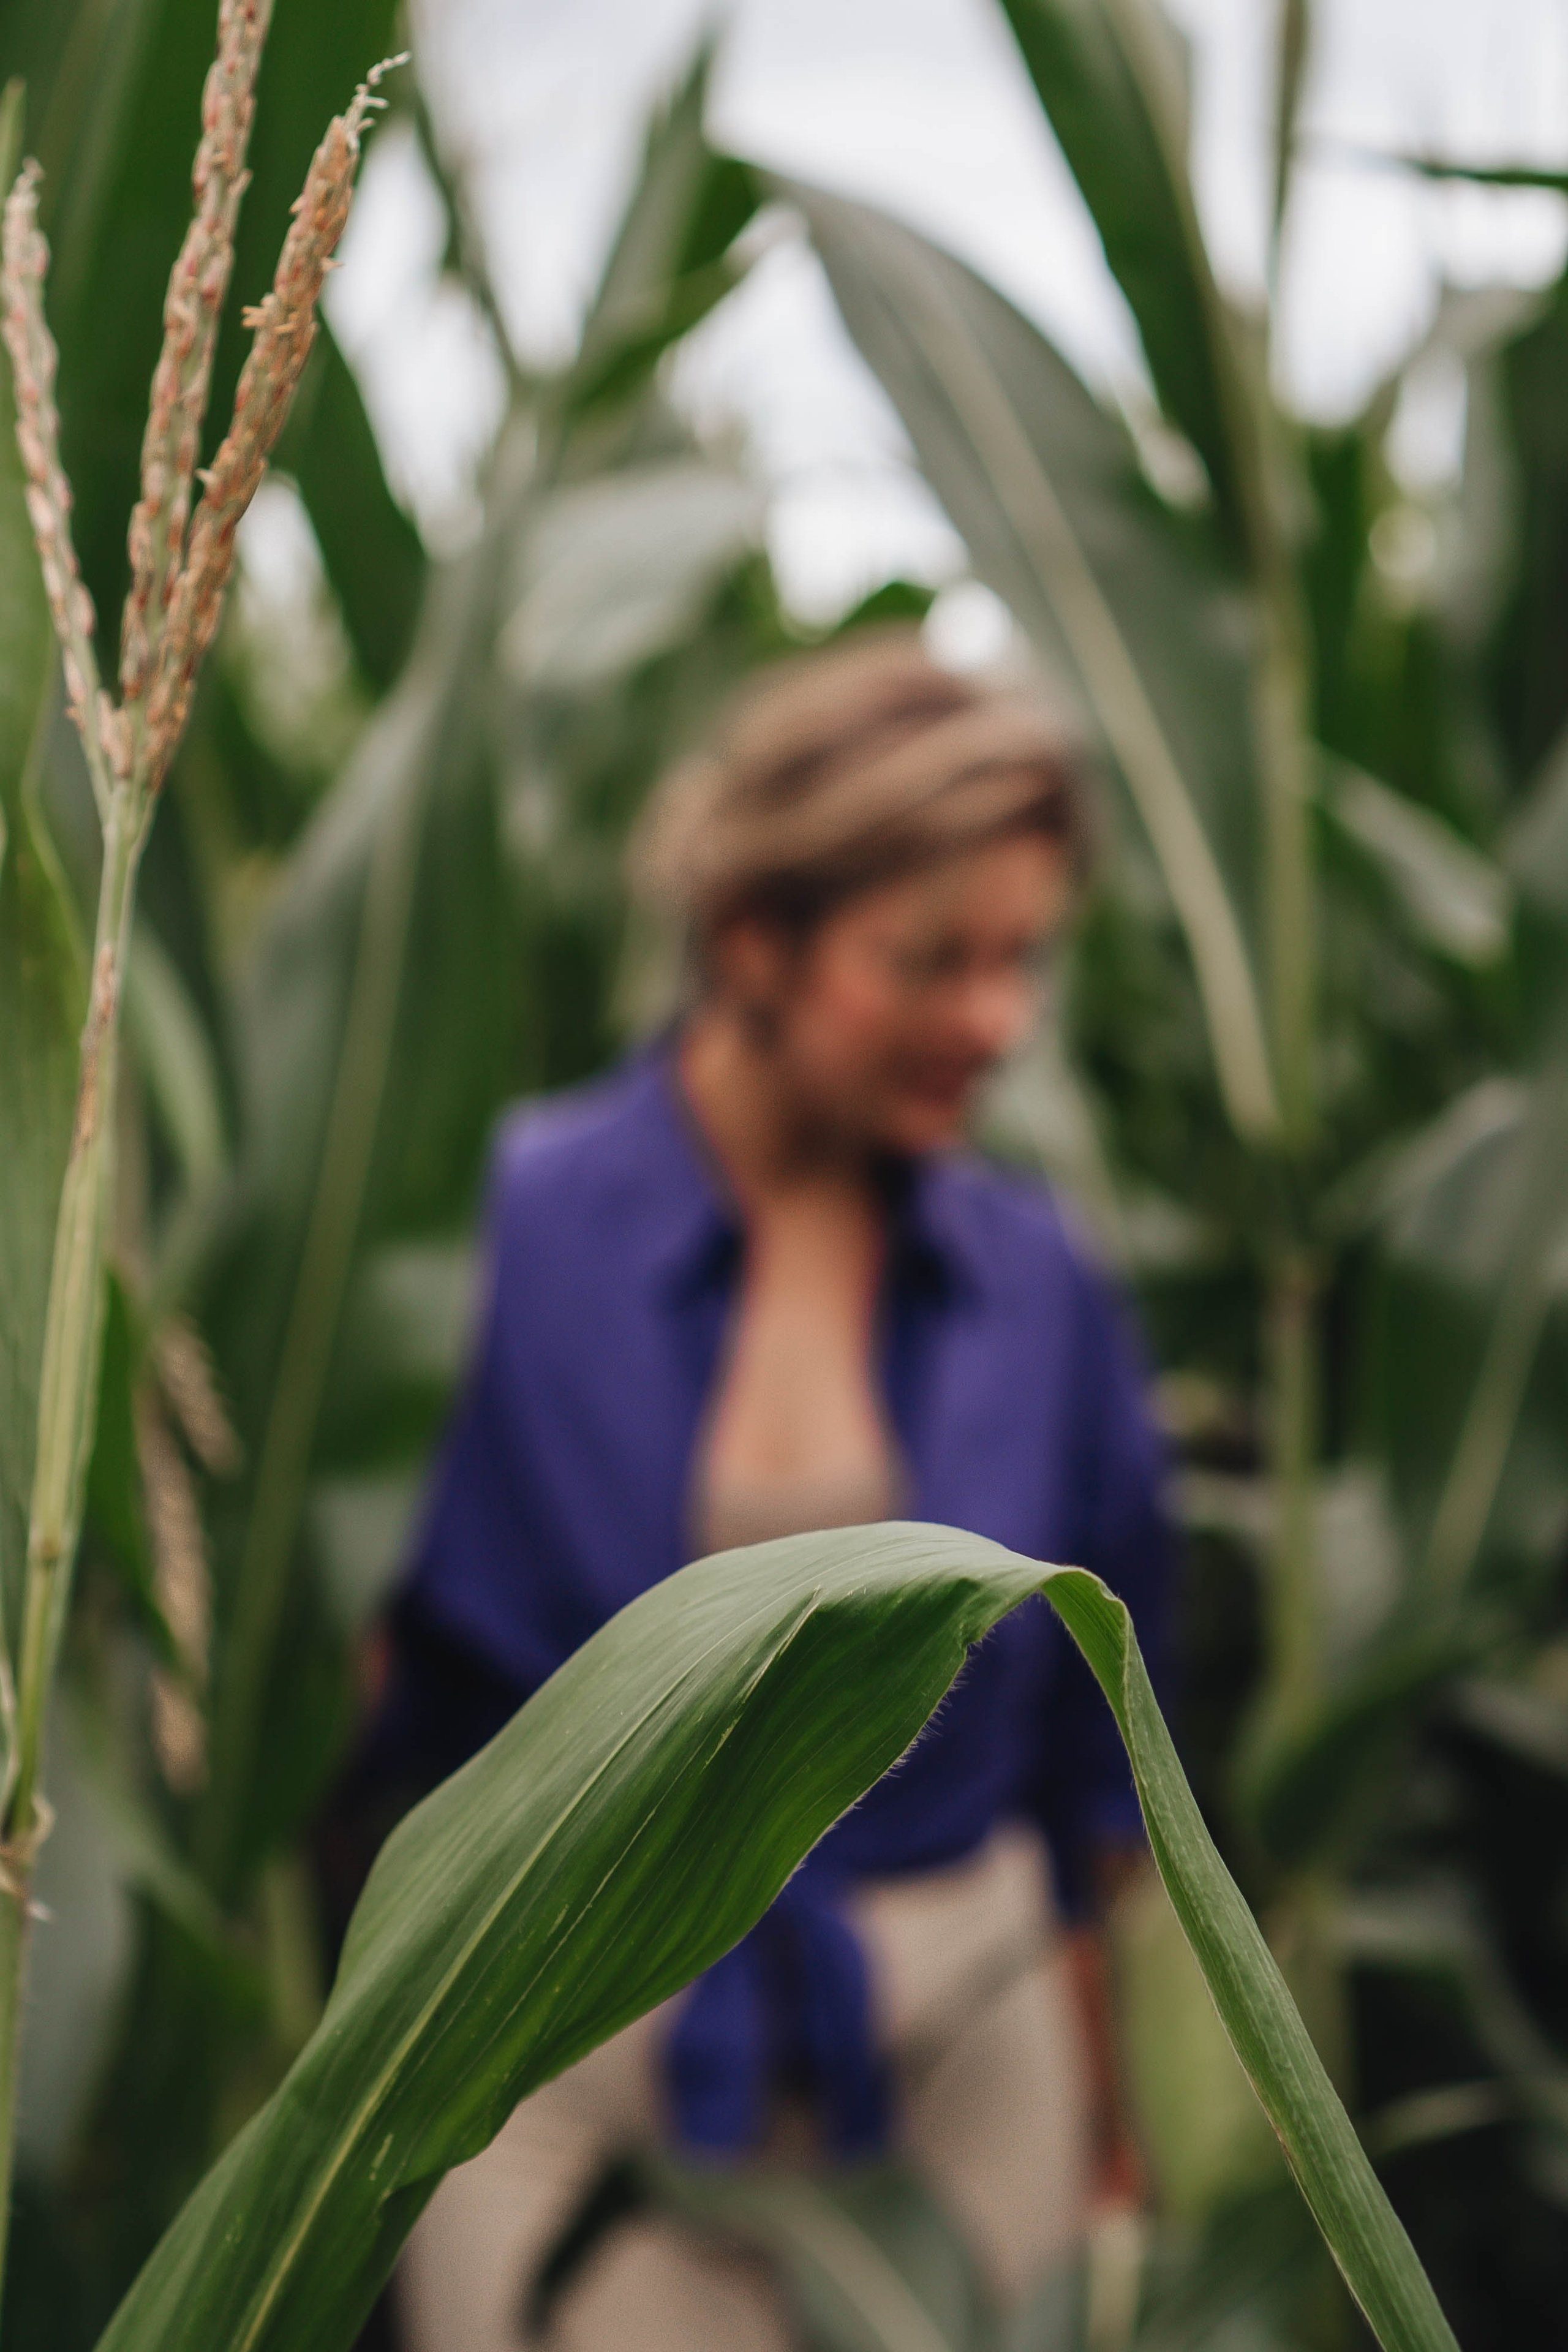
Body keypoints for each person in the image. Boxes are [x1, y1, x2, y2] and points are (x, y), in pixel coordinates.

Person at [370, 630, 1173, 2351]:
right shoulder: (492, 1237)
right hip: (568, 2052)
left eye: (1022, 960)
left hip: (968, 2045)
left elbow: (1100, 1786)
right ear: (754, 938)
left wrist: (1120, 2134)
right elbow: (367, 1676)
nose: (995, 1020)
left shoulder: (1045, 1282)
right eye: (929, 960)